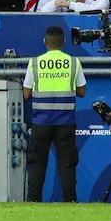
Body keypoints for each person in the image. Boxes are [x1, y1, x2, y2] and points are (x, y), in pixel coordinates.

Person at [23, 26, 85, 202]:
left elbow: (26, 94)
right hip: (65, 122)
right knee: (67, 164)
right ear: (64, 42)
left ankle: (33, 201)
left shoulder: (34, 63)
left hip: (41, 123)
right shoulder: (73, 62)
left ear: (45, 42)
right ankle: (70, 201)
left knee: (37, 164)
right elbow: (81, 91)